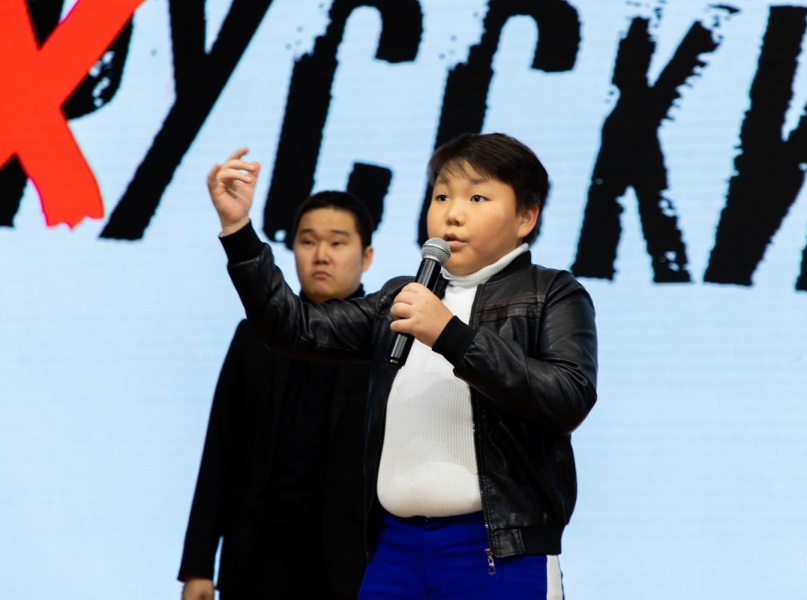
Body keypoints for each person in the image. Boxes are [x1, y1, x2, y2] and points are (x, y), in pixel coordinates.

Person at [208, 133, 598, 599]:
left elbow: (567, 396)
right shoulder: (403, 295)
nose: (452, 214)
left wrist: (450, 334)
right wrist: (238, 230)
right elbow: (293, 328)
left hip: (499, 551)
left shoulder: (551, 293)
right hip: (395, 550)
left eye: (476, 198)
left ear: (526, 217)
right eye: (441, 196)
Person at [178, 190, 375, 600]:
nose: (321, 255)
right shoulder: (254, 337)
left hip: (352, 564)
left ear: (366, 256)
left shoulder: (387, 340)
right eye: (308, 241)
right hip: (255, 557)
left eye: (337, 243)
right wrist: (198, 565)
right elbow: (221, 448)